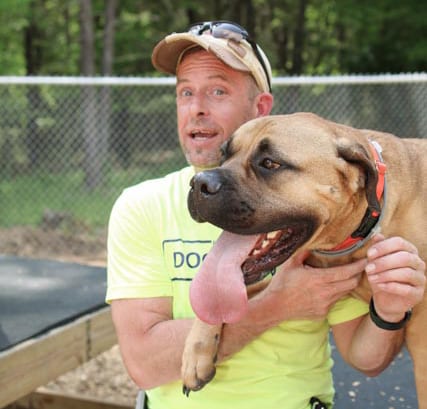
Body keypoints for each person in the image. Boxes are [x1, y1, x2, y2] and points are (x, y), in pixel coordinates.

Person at [106, 21, 426, 409]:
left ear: (260, 109)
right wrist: (274, 305)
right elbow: (142, 362)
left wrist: (390, 309)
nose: (197, 107)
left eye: (218, 91)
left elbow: (365, 359)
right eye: (185, 92)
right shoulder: (141, 205)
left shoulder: (332, 220)